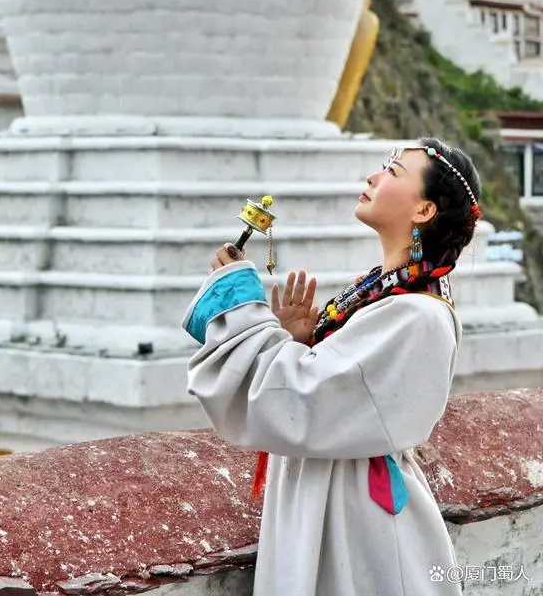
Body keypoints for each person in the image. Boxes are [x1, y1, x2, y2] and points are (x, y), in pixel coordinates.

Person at [180, 137, 482, 596]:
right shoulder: (385, 298)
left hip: (358, 521)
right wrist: (297, 343)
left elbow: (299, 399)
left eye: (394, 171)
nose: (374, 177)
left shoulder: (418, 316)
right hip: (333, 499)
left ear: (423, 211)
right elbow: (328, 388)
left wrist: (241, 306)